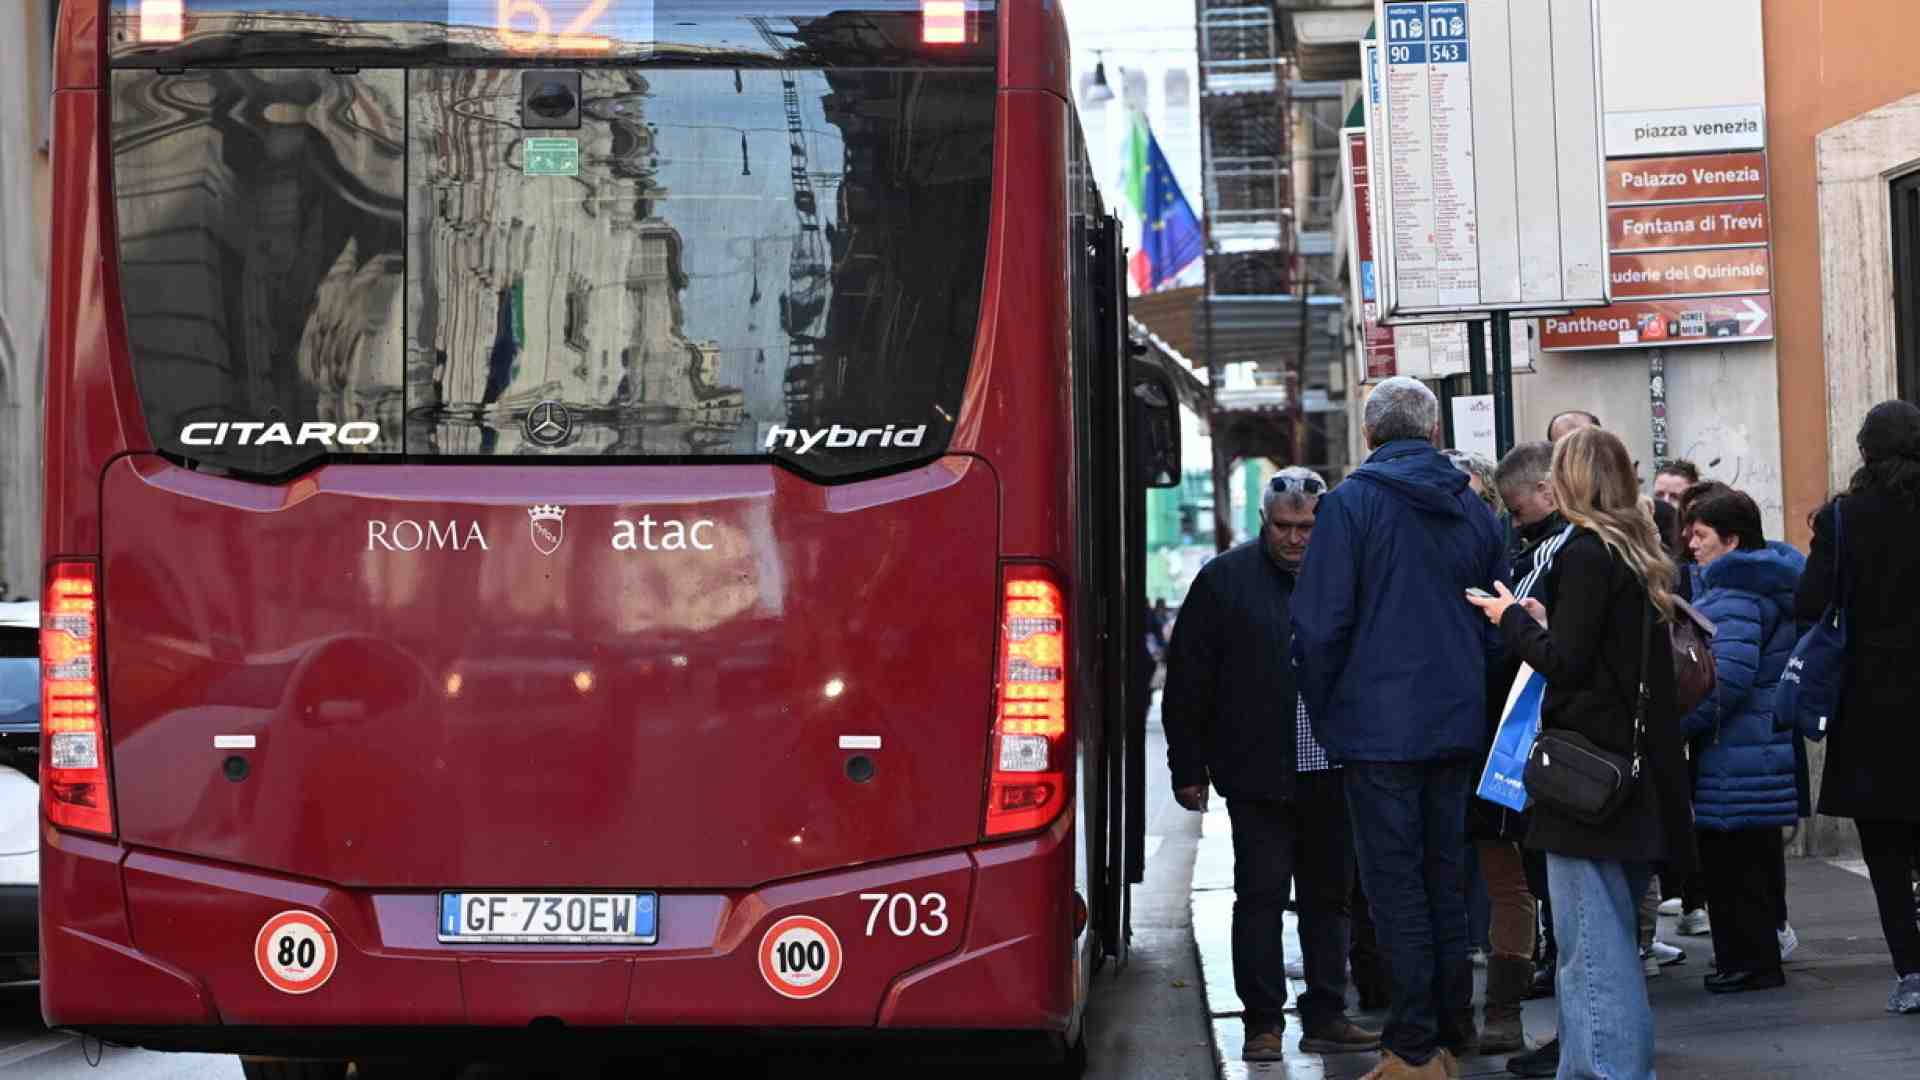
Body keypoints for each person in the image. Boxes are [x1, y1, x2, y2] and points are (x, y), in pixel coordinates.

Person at [1294, 378, 1509, 1080]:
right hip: (1455, 719)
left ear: (1369, 434)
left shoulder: (1351, 504)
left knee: (1394, 886)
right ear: (1435, 429)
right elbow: (1498, 613)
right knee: (1445, 877)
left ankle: (1414, 1043)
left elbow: (1320, 625)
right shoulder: (1472, 508)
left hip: (1377, 728)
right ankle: (1456, 1023)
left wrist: (1329, 711)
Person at [1468, 427, 1695, 1080]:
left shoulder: (1585, 554)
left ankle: (1606, 1070)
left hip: (1583, 783)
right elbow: (1606, 657)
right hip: (1632, 774)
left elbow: (1565, 665)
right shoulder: (1636, 550)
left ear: (1571, 480)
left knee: (1590, 952)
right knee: (1612, 947)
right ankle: (1600, 1065)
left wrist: (1510, 620)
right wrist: (1541, 621)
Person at [1163, 468, 1381, 1061]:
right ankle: (1263, 1021)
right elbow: (1188, 678)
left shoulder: (1348, 576)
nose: (1295, 538)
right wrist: (1188, 765)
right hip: (1257, 771)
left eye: (1307, 526)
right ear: (1265, 522)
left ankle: (1326, 1012)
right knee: (1259, 897)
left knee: (1328, 897)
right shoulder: (1224, 581)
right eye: (1284, 527)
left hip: (1332, 768)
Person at [1796, 400, 1920, 1015]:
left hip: (1869, 700)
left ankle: (1912, 971)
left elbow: (1810, 600)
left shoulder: (1844, 519)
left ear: (1865, 451)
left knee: (1887, 850)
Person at [1677, 485, 1803, 994]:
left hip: (1736, 749)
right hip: (1752, 746)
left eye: (1702, 534)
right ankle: (1746, 961)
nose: (1691, 543)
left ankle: (1751, 964)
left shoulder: (1735, 594)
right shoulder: (1754, 585)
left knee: (1735, 867)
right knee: (1744, 863)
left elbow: (1725, 677)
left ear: (1731, 540)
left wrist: (1679, 726)